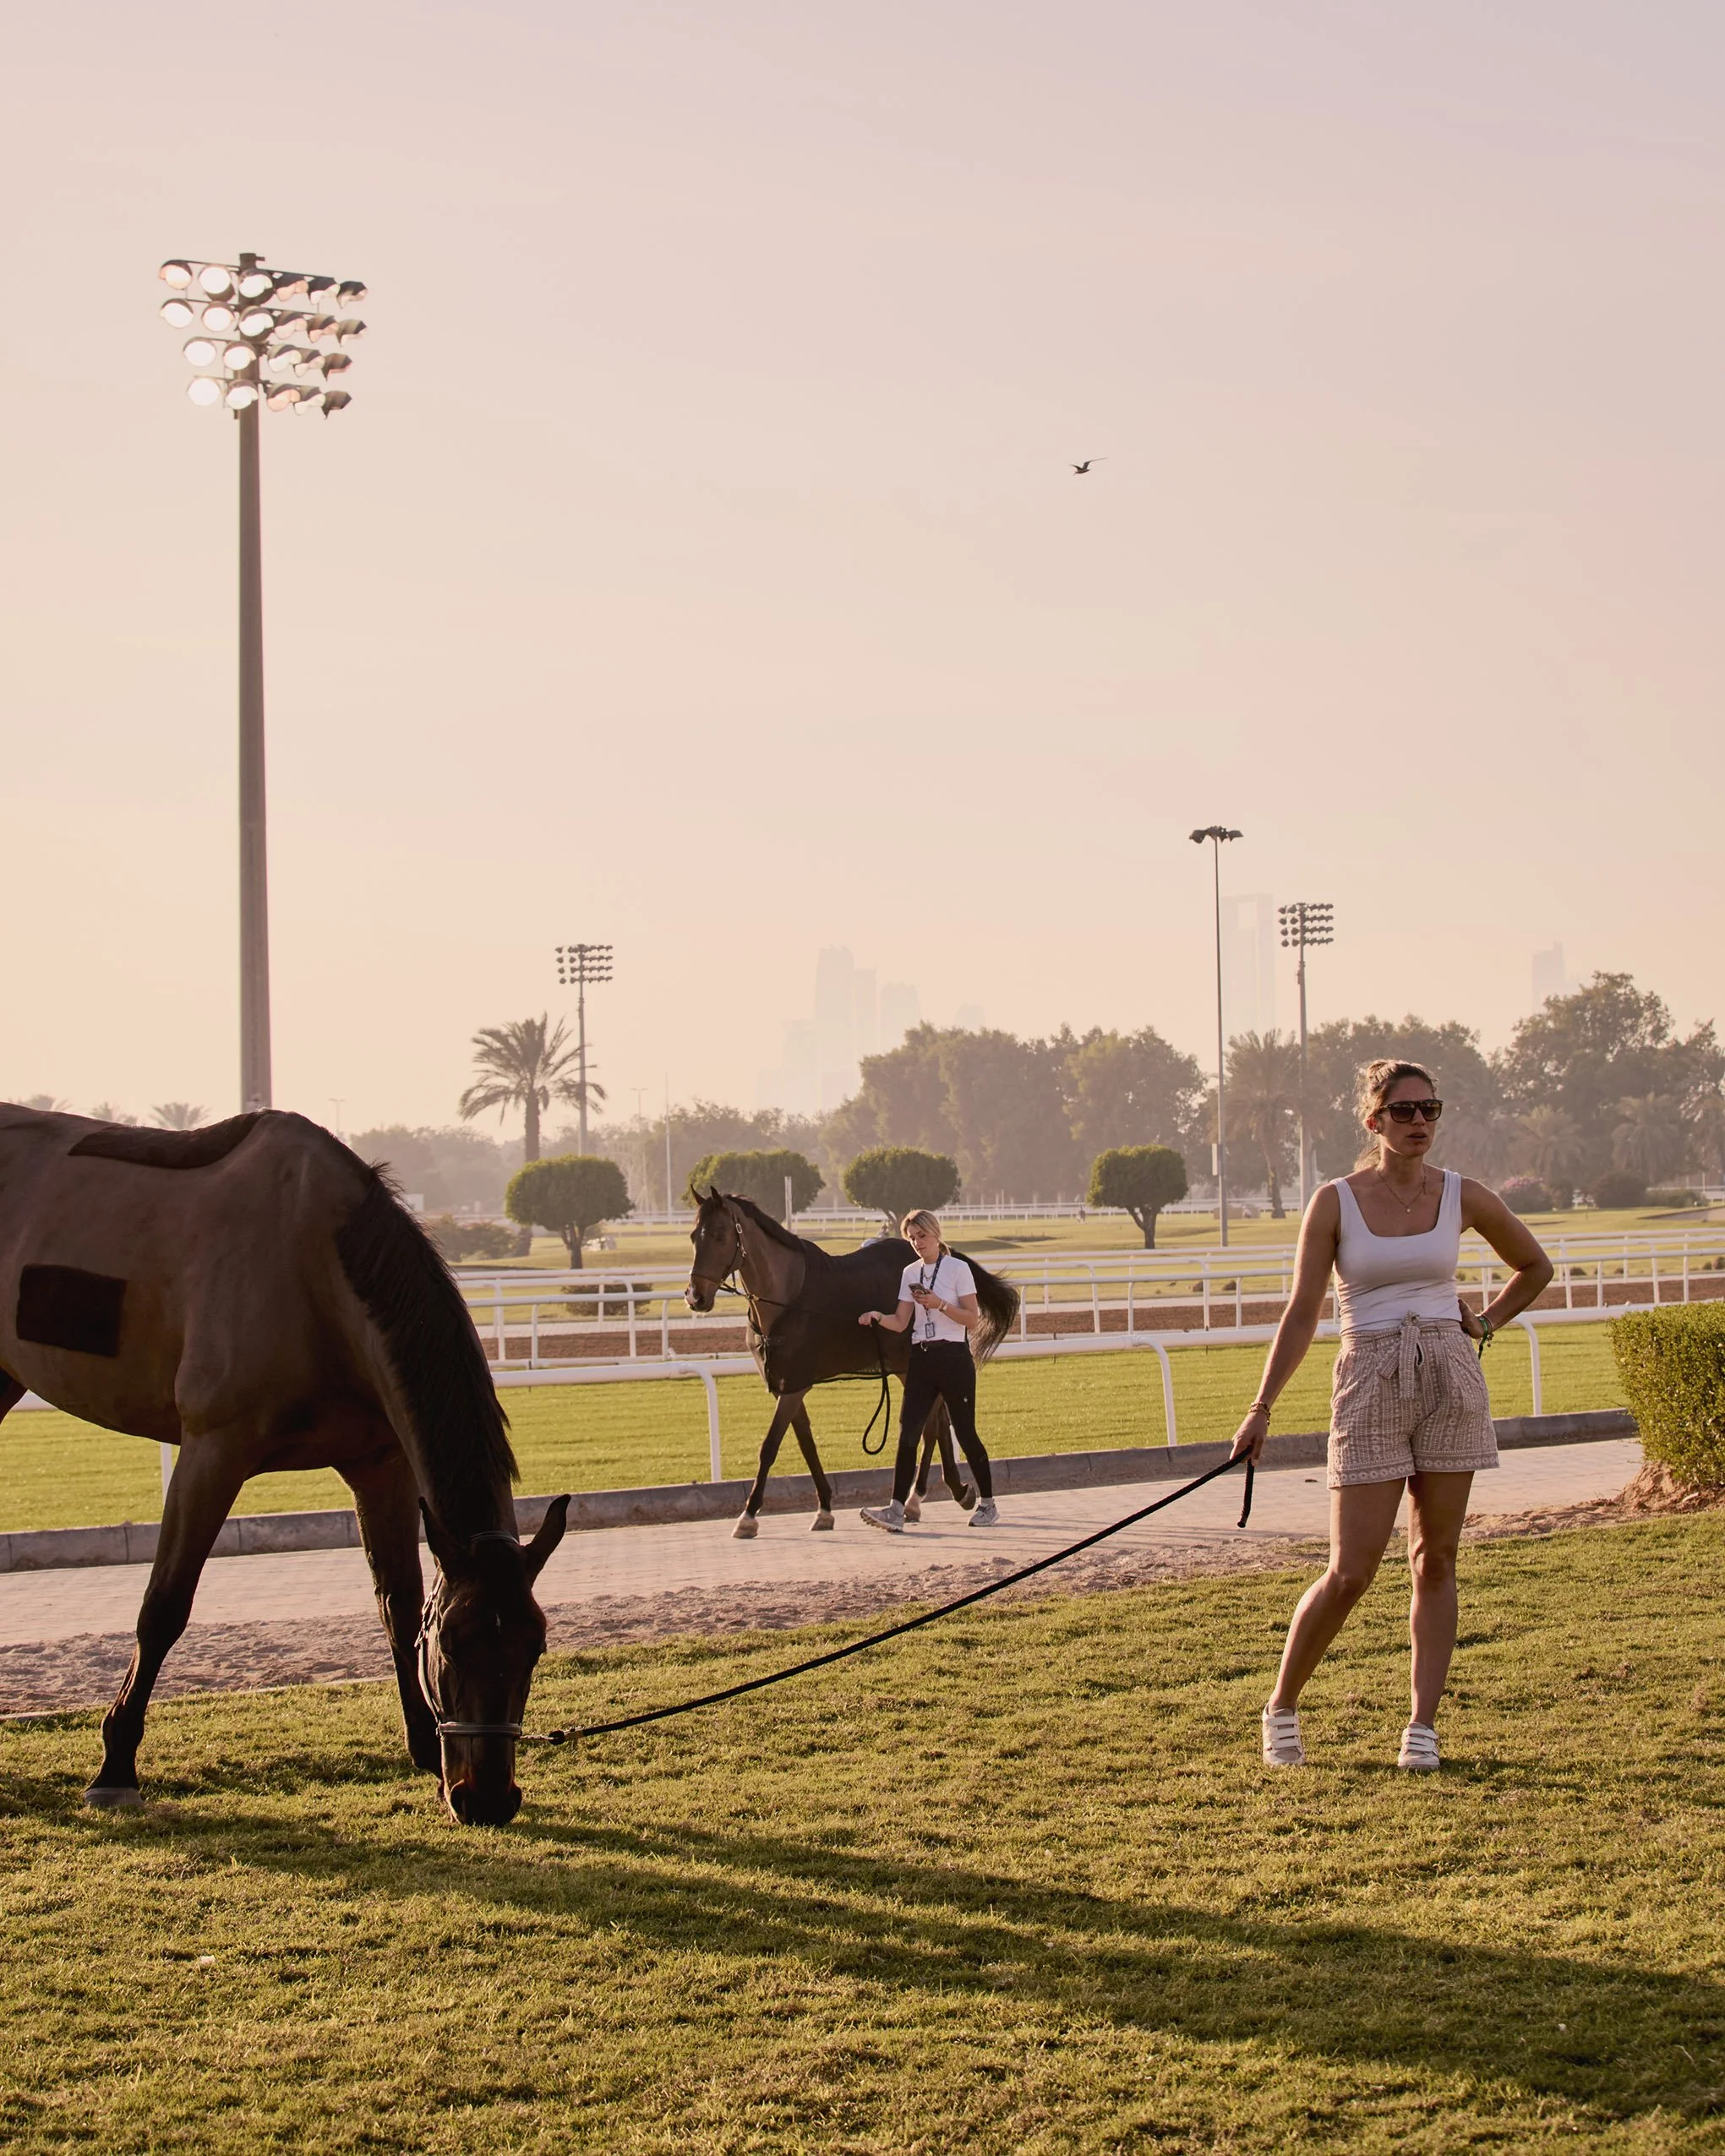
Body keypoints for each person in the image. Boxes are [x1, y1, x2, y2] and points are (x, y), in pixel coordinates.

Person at [1231, 1058, 1553, 1772]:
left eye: (1429, 1110)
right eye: (1403, 1111)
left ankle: (1421, 1727)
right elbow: (1300, 1310)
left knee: (1435, 1559)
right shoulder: (1334, 1201)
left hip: (1448, 1371)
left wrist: (1486, 1323)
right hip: (1369, 1375)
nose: (1418, 1123)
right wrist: (1261, 1406)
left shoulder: (1462, 1195)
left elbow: (1534, 1265)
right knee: (1351, 1568)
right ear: (1372, 1120)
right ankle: (1281, 1704)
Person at [856, 1210, 999, 1531]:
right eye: (912, 1238)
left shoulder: (957, 1269)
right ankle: (895, 1509)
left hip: (954, 1358)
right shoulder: (910, 1273)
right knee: (908, 1433)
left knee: (965, 1432)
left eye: (922, 1236)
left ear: (936, 1234)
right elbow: (901, 1322)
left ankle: (988, 1503)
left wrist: (940, 1305)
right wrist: (877, 1316)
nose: (918, 1243)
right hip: (921, 1358)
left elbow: (973, 1320)